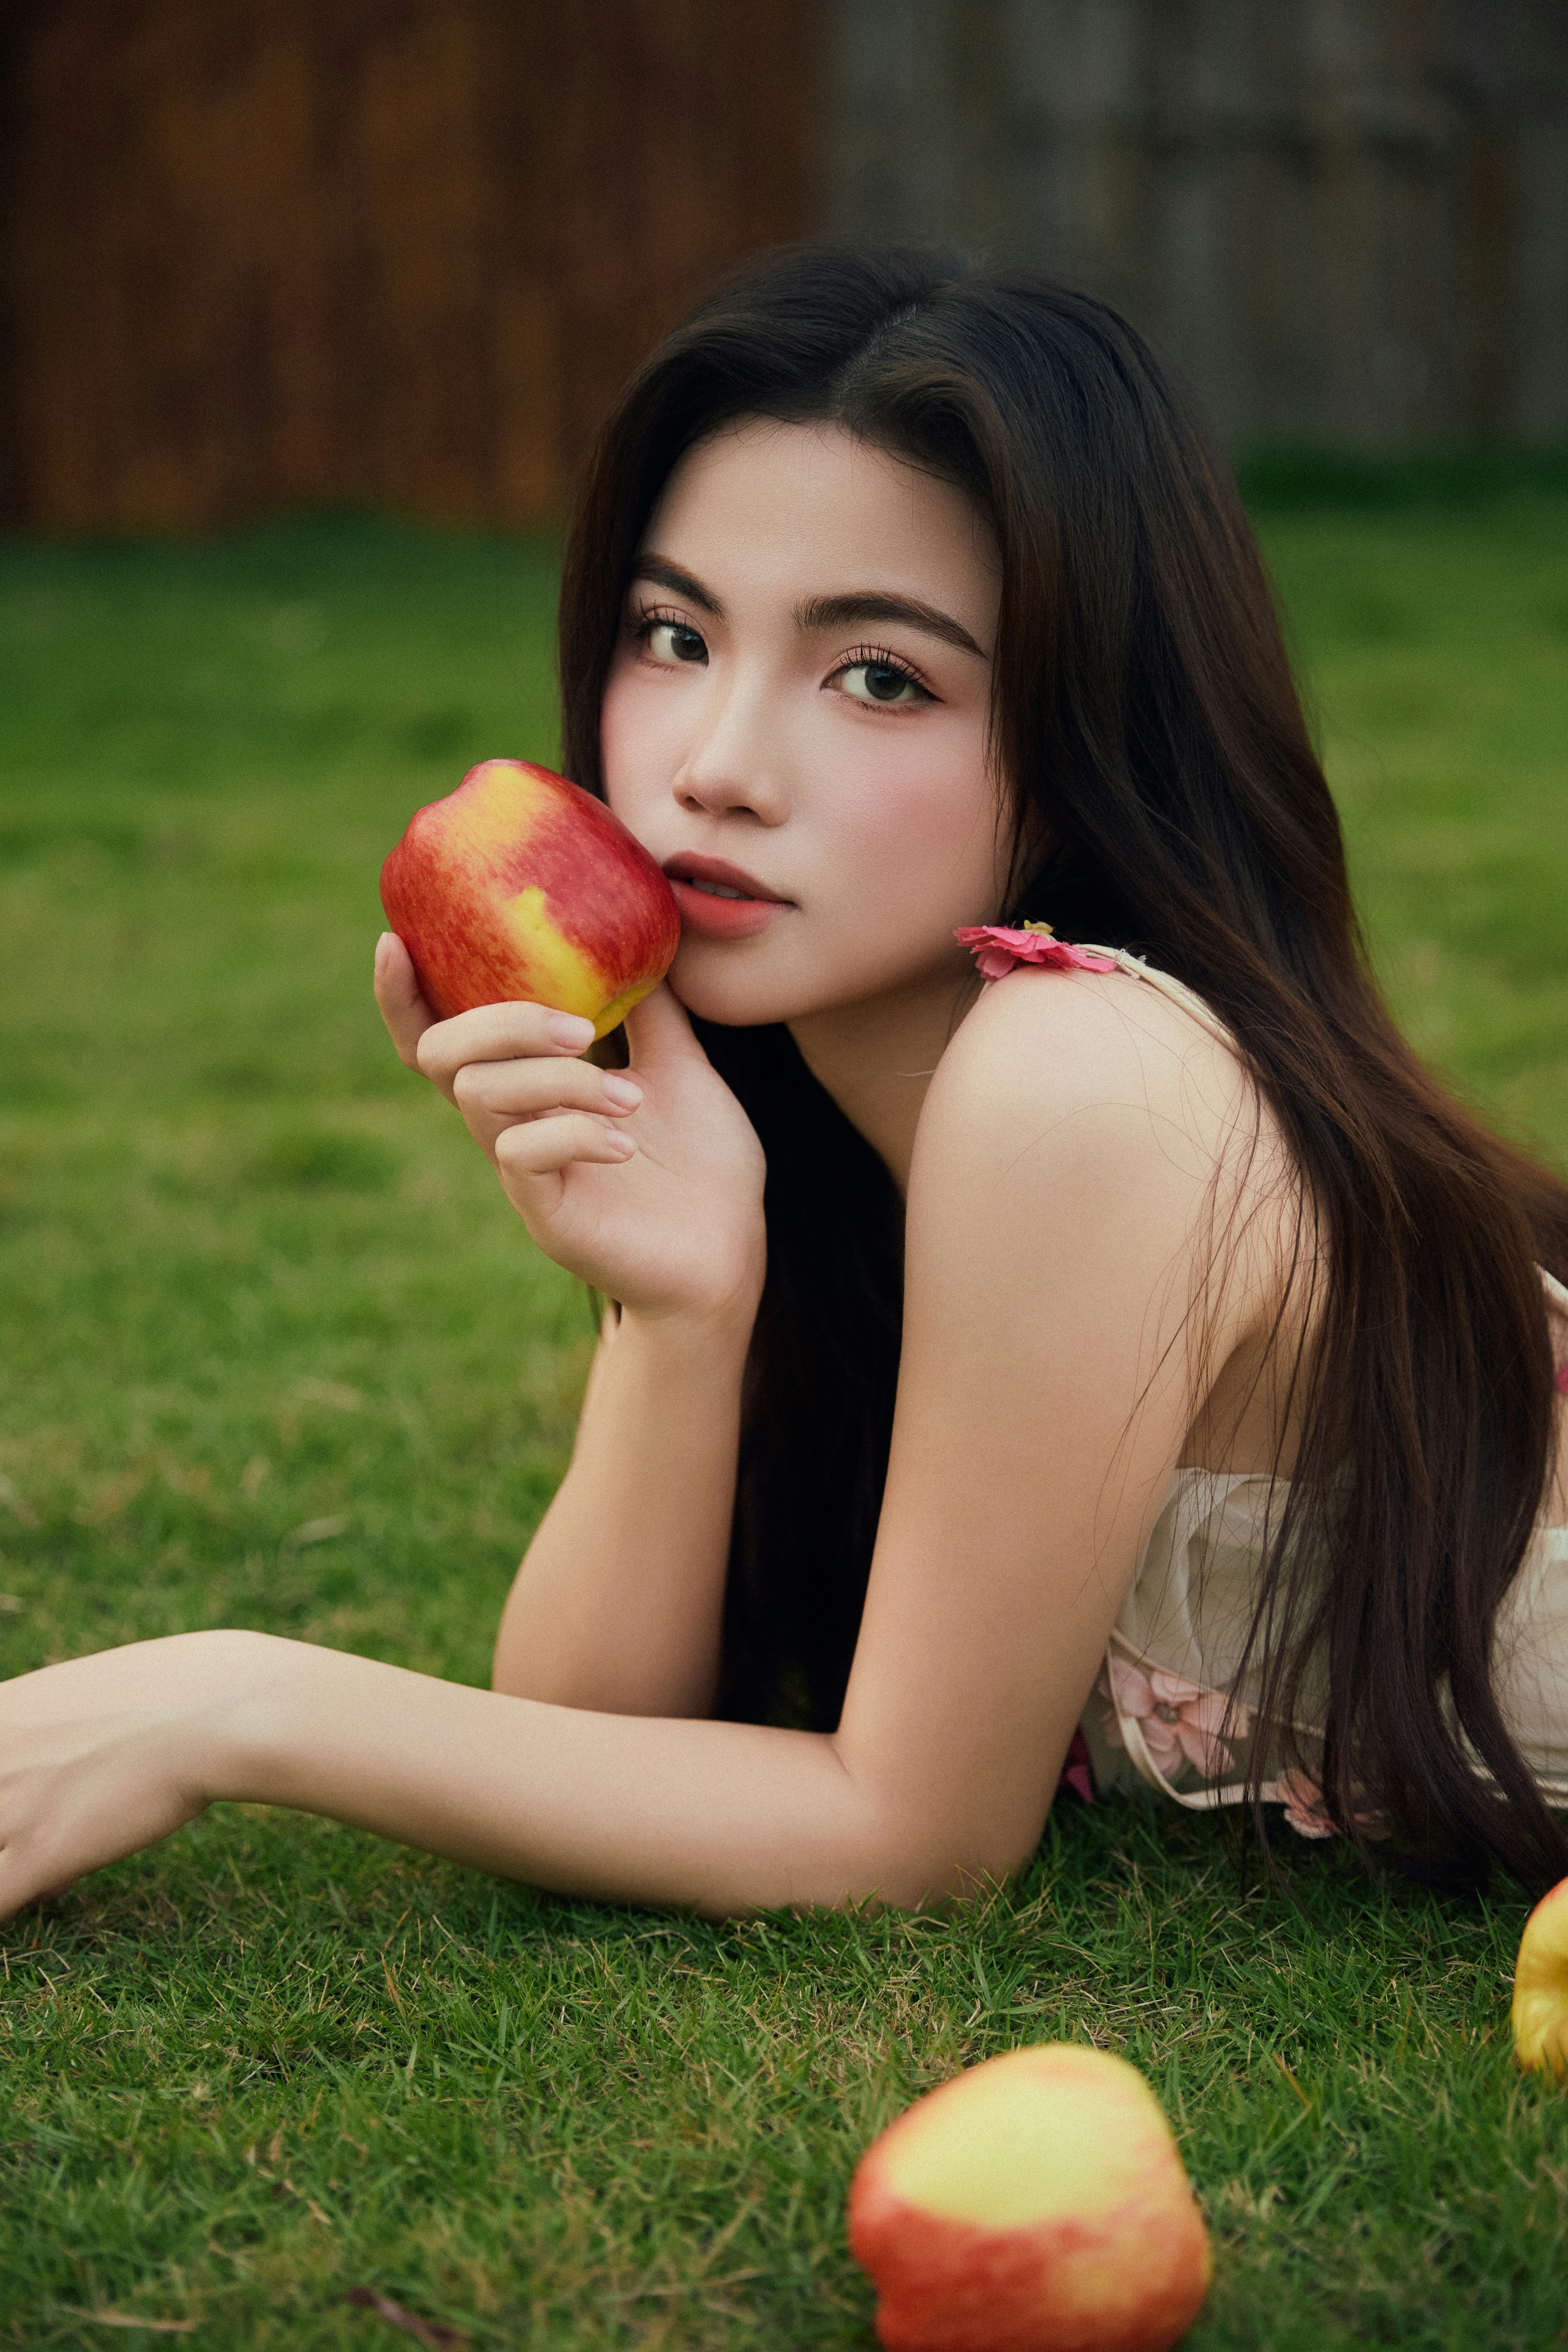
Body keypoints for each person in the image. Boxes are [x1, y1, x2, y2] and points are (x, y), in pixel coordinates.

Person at [4, 244, 1568, 1925]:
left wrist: (229, 1706)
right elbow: (591, 1740)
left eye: (880, 675)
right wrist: (684, 1310)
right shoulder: (848, 1120)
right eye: (673, 633)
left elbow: (916, 1837)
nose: (718, 765)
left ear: (1092, 739)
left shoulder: (1083, 1080)